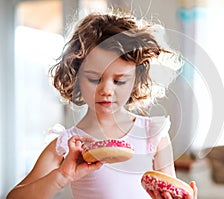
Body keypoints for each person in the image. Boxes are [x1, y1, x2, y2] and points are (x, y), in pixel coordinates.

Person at [7, 11, 198, 199]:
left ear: (136, 80)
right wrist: (61, 176)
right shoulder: (67, 143)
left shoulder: (153, 134)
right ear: (77, 76)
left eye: (119, 81)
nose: (106, 90)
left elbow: (168, 191)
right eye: (94, 78)